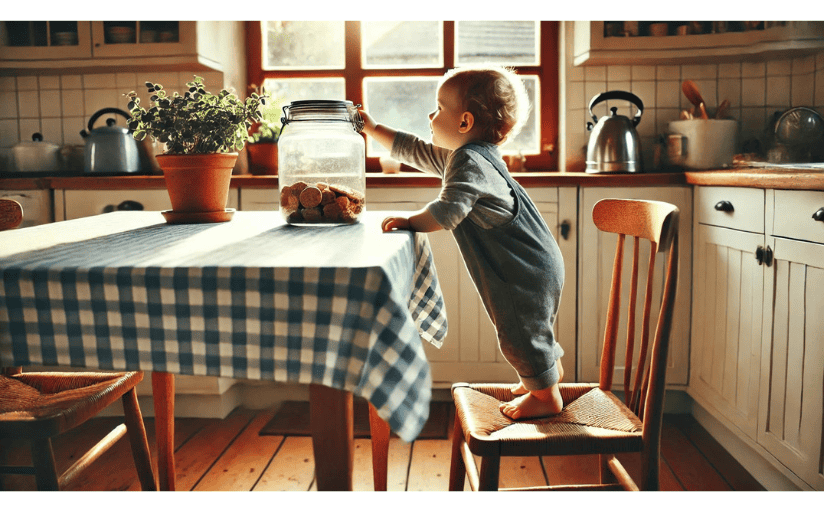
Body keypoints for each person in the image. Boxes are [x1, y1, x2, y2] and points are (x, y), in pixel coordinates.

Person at [359, 65, 565, 420]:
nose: (431, 114)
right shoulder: (474, 155)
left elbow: (448, 210)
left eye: (439, 108)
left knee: (518, 332)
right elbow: (416, 151)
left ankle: (546, 397)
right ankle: (546, 375)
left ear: (465, 122)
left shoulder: (469, 161)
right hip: (536, 262)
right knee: (528, 326)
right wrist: (374, 128)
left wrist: (411, 221)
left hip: (522, 270)